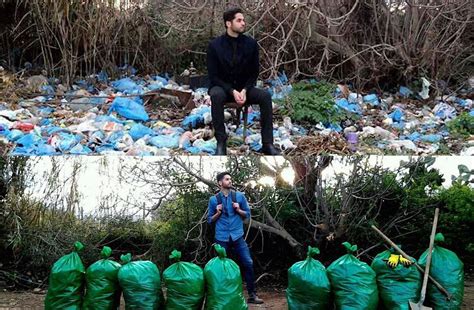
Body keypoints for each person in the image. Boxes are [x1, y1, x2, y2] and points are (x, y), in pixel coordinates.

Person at [207, 7, 280, 155]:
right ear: (228, 23)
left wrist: (245, 90)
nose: (243, 23)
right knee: (216, 95)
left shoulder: (251, 44)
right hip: (223, 88)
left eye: (243, 20)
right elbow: (213, 76)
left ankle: (268, 144)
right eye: (239, 20)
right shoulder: (215, 46)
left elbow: (254, 73)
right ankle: (221, 143)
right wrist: (232, 91)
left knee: (265, 96)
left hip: (244, 88)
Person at [207, 171, 264, 304]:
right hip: (221, 237)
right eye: (227, 179)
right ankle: (223, 298)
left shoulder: (239, 196)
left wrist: (238, 210)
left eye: (230, 179)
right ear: (220, 183)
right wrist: (218, 212)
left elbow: (247, 215)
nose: (230, 181)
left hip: (238, 236)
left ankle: (252, 295)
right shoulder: (213, 200)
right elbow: (210, 220)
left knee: (248, 263)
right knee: (221, 269)